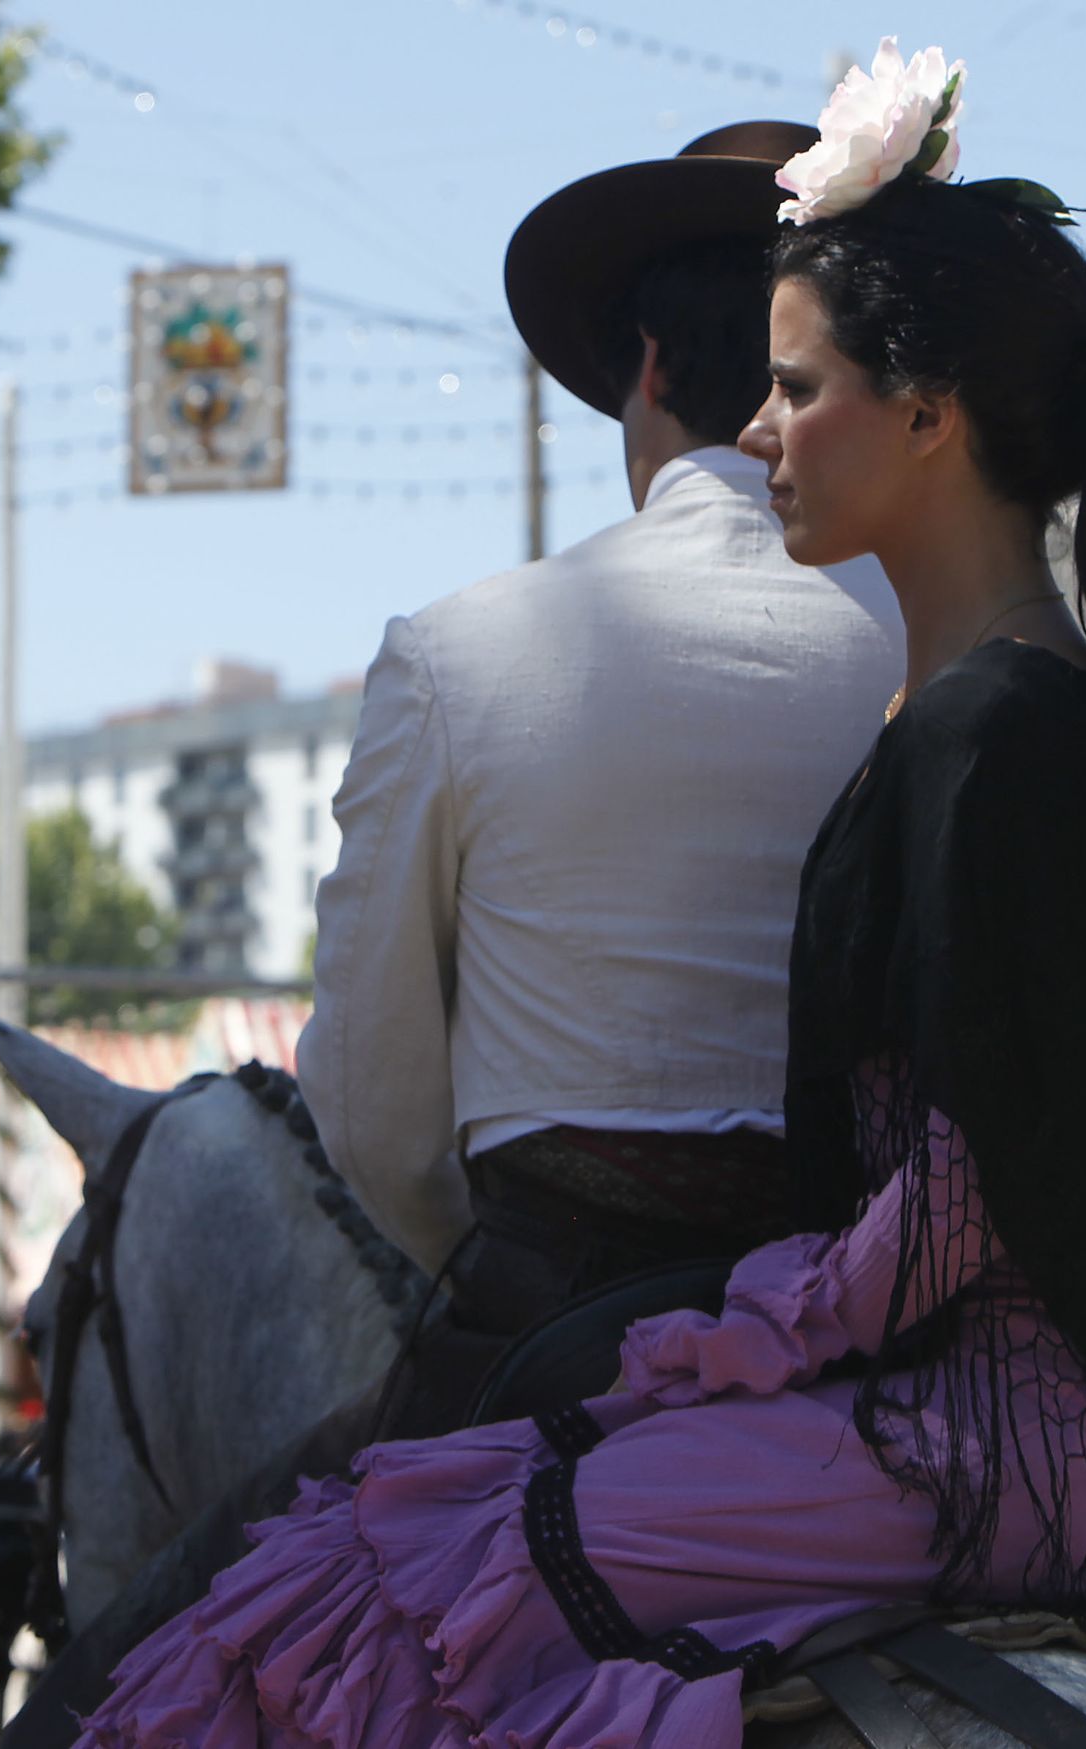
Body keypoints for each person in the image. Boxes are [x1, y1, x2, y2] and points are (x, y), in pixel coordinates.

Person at [71, 39, 1086, 1749]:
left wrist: (754, 1325)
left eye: (799, 390)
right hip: (943, 1383)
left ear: (927, 411)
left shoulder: (998, 721)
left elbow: (994, 1167)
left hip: (996, 1432)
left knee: (382, 1583)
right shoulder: (959, 697)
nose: (758, 430)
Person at [296, 119, 905, 1365]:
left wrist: (489, 1273)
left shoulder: (454, 653)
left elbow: (367, 1099)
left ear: (648, 364)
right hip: (891, 1328)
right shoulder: (951, 641)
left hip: (555, 1319)